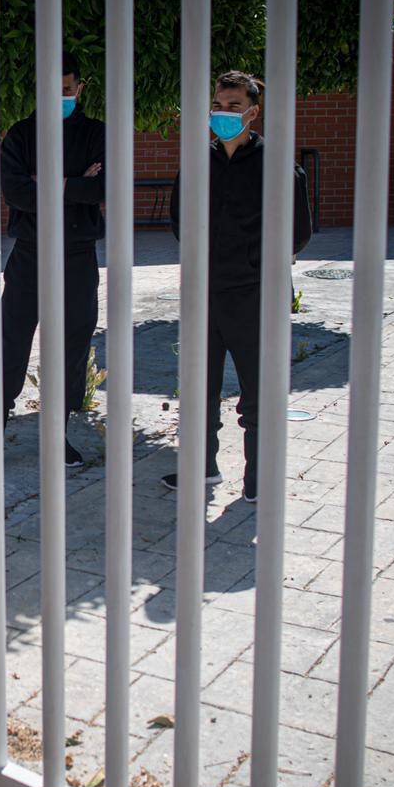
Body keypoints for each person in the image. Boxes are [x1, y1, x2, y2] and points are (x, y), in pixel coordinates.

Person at [167, 70, 312, 503]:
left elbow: (298, 234)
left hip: (256, 297)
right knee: (199, 389)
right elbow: (179, 222)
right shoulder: (196, 163)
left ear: (254, 112)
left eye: (234, 107)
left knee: (258, 395)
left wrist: (252, 257)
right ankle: (201, 468)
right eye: (219, 105)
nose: (224, 113)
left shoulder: (279, 167)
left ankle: (258, 480)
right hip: (205, 295)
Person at [0, 50, 107, 465]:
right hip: (29, 255)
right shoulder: (22, 134)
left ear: (79, 88)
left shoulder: (97, 132)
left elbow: (106, 188)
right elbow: (16, 192)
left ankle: (56, 437)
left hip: (78, 257)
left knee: (71, 347)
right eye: (51, 90)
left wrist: (51, 182)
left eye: (66, 89)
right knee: (11, 343)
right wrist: (78, 183)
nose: (60, 96)